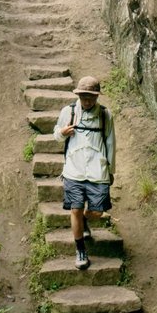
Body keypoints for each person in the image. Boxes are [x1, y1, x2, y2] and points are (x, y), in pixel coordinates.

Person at [53, 75, 116, 270]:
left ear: (97, 97)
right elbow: (56, 134)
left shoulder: (105, 115)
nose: (87, 101)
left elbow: (111, 143)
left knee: (97, 211)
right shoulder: (69, 112)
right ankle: (80, 249)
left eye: (91, 97)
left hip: (98, 169)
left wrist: (111, 170)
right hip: (74, 169)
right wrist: (62, 133)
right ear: (78, 95)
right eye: (83, 97)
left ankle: (84, 221)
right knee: (75, 209)